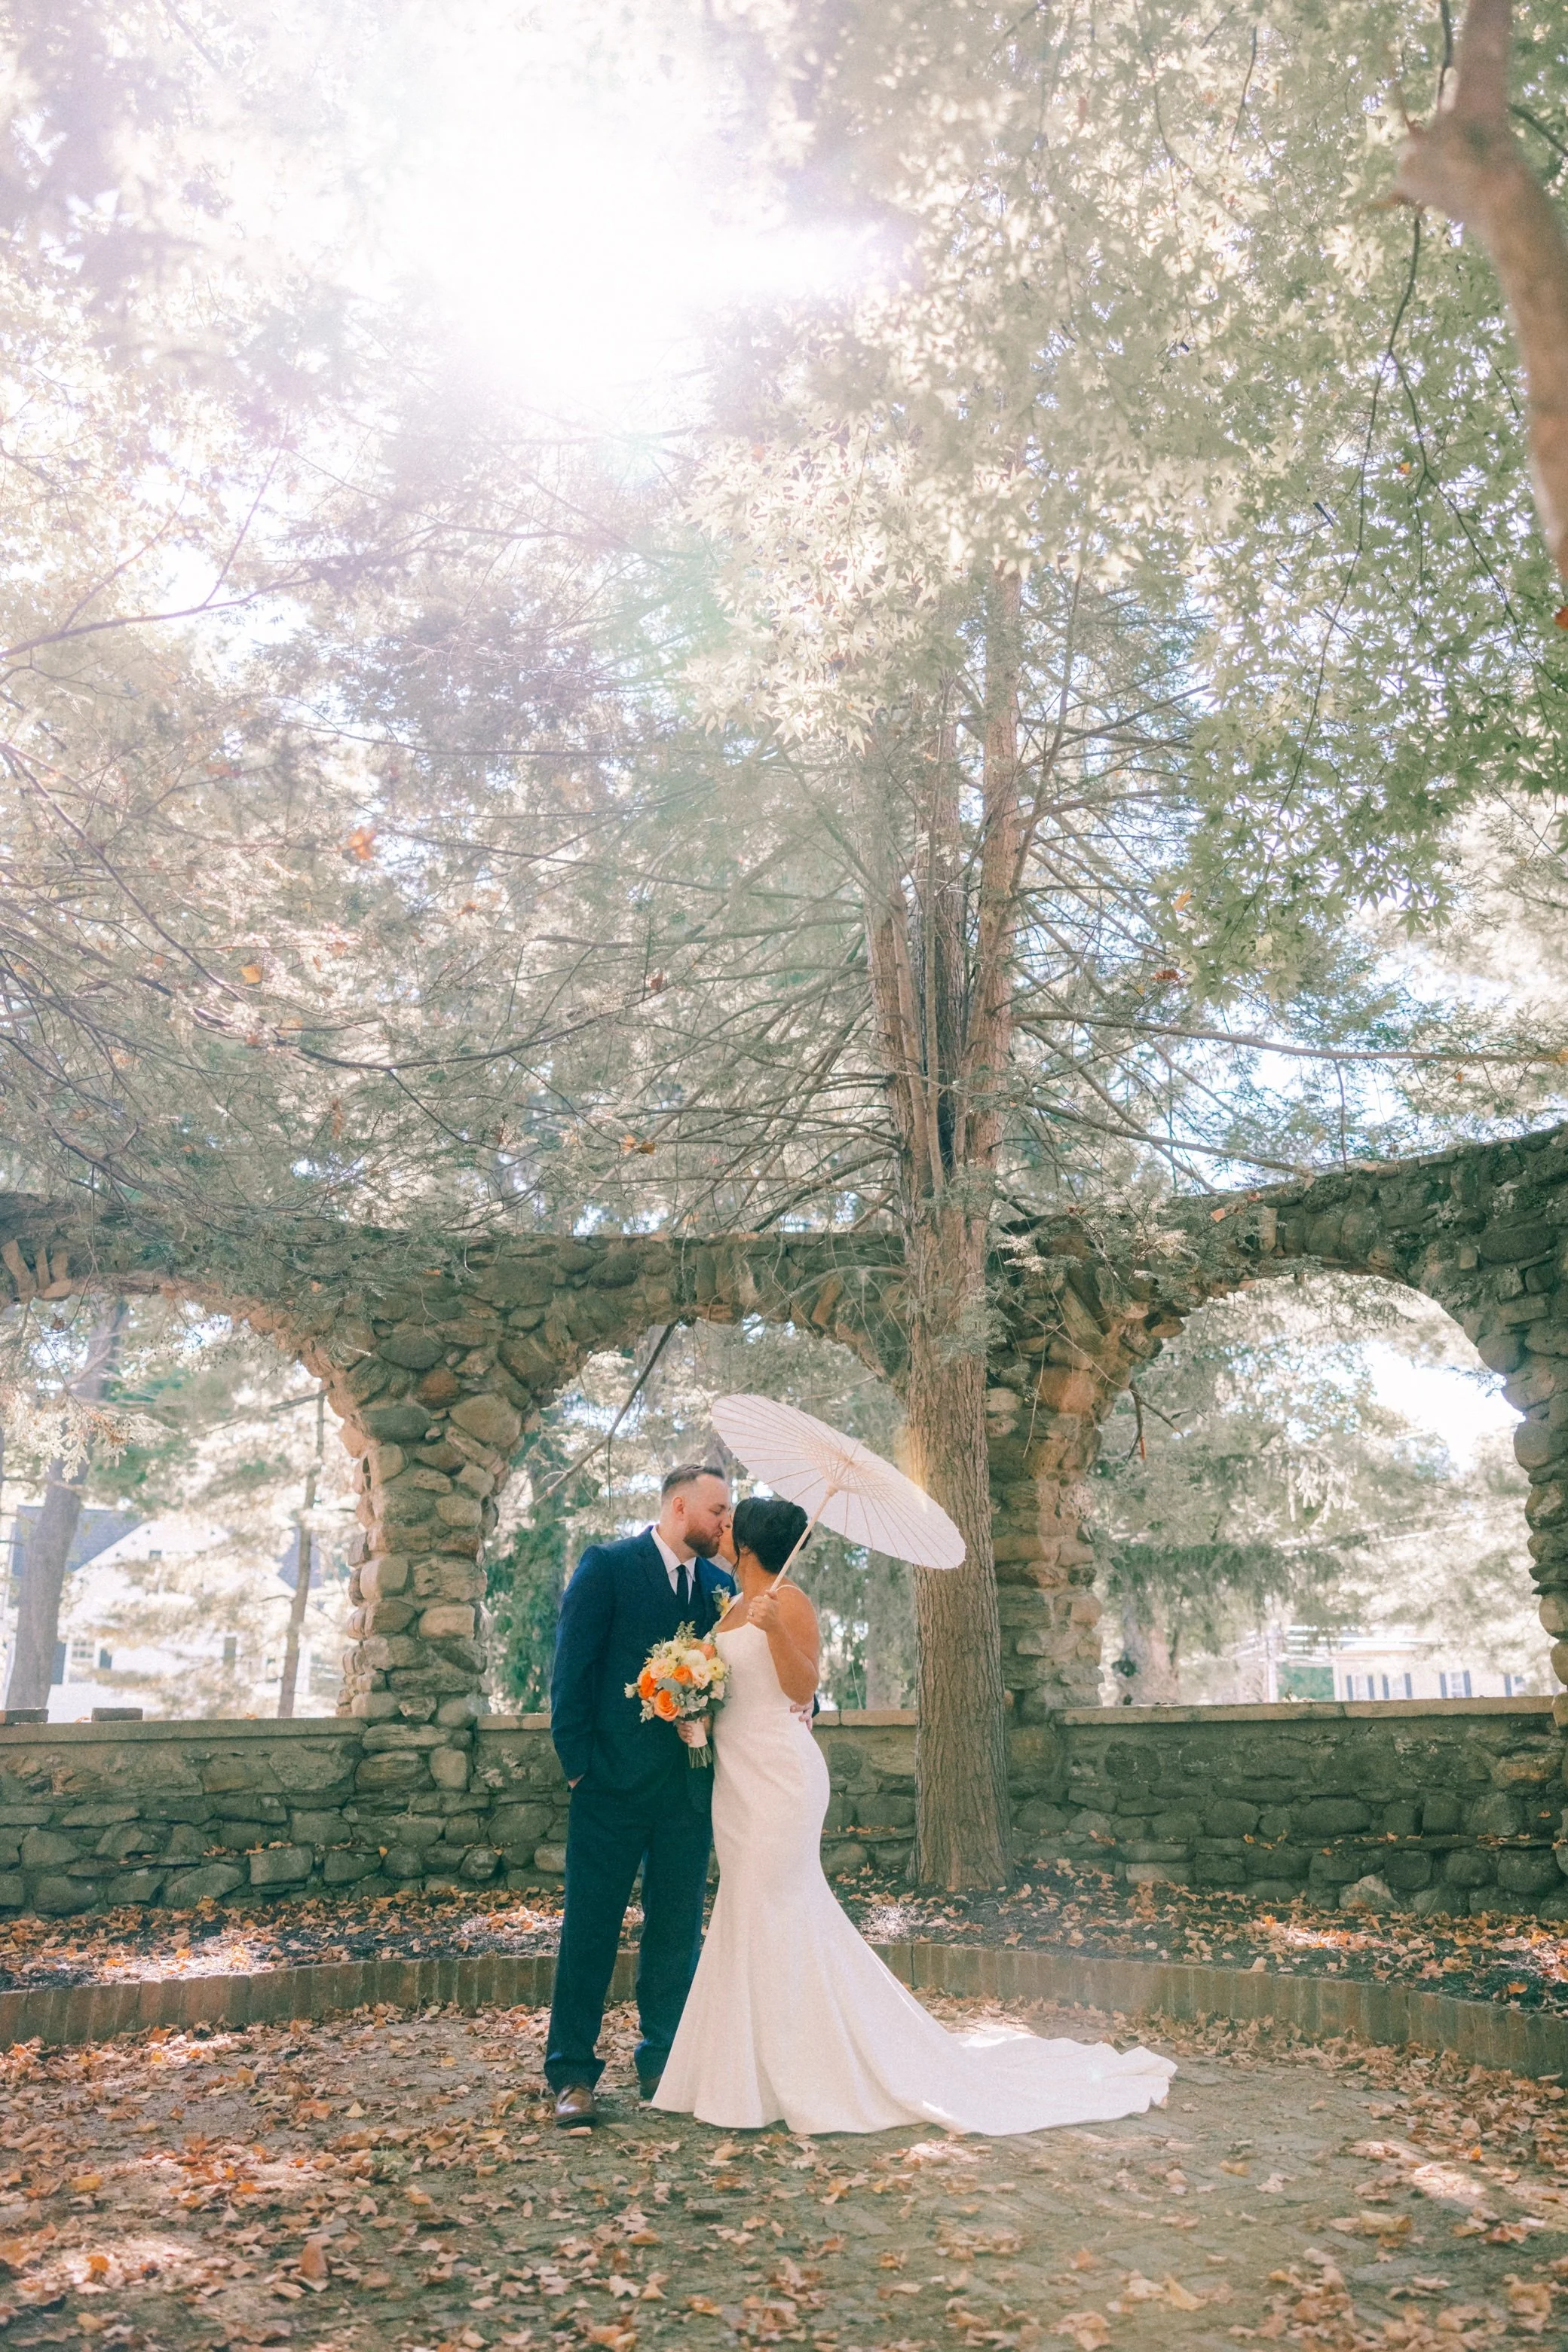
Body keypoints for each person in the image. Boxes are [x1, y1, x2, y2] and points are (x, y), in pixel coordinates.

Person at [654, 1493, 1177, 2136]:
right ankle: (745, 2077)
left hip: (782, 1781)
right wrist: (692, 1704)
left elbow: (801, 1688)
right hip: (736, 1782)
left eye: (733, 1526)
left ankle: (804, 2070)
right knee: (747, 1909)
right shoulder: (728, 1605)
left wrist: (773, 1629)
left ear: (756, 1543)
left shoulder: (787, 1602)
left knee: (775, 1908)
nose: (724, 1531)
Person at [545, 1462, 737, 2124]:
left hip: (687, 1791)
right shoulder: (608, 1566)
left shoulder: (720, 1586)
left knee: (676, 1932)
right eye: (717, 1512)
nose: (725, 1524)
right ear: (679, 1507)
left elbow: (736, 1677)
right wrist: (580, 1769)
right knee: (590, 1929)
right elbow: (572, 1671)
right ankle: (571, 2073)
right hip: (609, 1788)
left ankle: (664, 2062)